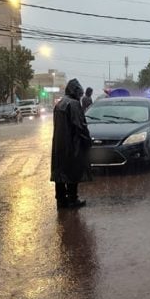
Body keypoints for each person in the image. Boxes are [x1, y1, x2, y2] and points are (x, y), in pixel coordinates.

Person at [51, 79, 92, 208]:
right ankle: (73, 199)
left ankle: (61, 200)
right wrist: (87, 141)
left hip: (59, 144)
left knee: (60, 172)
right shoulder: (74, 104)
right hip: (73, 144)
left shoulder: (59, 104)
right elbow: (80, 126)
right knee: (73, 172)